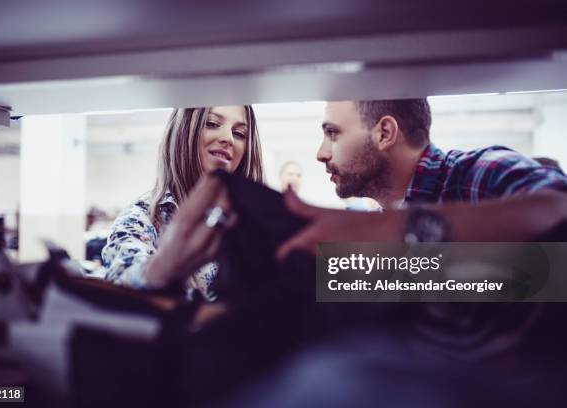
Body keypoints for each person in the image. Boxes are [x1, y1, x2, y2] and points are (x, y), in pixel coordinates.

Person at [276, 98, 567, 258]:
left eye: (333, 133)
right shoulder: (383, 217)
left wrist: (398, 230)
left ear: (384, 133)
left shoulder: (479, 171)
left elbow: (560, 207)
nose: (321, 153)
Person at [102, 106, 264, 300]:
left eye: (239, 133)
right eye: (212, 124)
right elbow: (119, 286)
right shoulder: (141, 218)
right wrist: (162, 267)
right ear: (185, 130)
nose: (228, 138)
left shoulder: (253, 224)